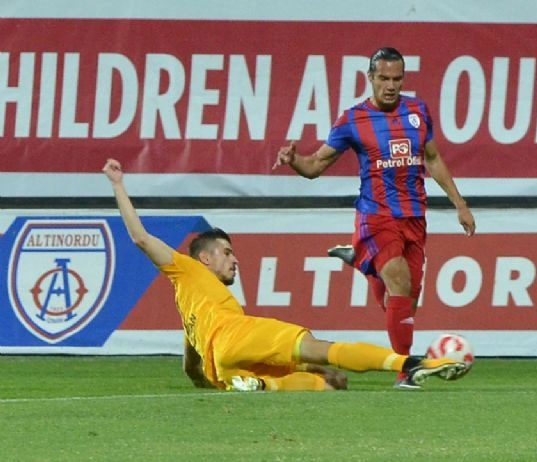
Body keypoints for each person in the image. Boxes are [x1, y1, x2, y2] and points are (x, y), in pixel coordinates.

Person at [102, 158, 467, 392]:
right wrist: (118, 185)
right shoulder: (187, 267)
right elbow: (140, 237)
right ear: (204, 258)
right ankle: (412, 364)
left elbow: (193, 372)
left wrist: (213, 378)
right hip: (236, 335)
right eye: (226, 253)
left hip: (223, 366)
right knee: (324, 350)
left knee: (325, 385)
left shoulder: (191, 307)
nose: (234, 260)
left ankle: (259, 385)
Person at [273, 47, 476, 390]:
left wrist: (460, 204)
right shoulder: (353, 119)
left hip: (414, 217)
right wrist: (295, 160)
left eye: (397, 78)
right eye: (383, 78)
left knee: (405, 300)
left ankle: (362, 261)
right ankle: (406, 372)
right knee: (399, 282)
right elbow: (316, 165)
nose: (391, 85)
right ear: (370, 77)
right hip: (376, 216)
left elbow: (433, 158)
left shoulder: (418, 111)